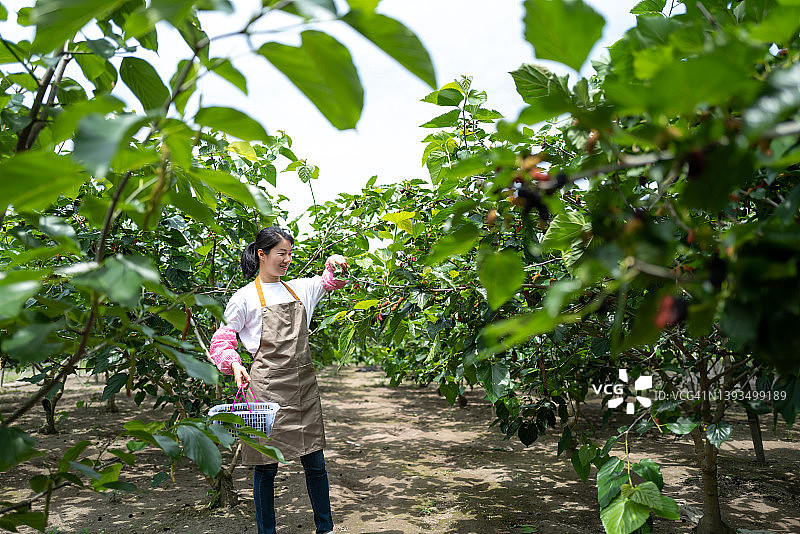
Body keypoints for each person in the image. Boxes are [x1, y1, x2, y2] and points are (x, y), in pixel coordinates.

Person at [209, 226, 348, 534]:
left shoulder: (300, 288)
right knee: (265, 467)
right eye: (280, 254)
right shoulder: (244, 298)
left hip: (303, 388)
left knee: (315, 463)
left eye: (289, 254)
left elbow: (332, 280)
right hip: (265, 389)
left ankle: (325, 528)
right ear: (262, 254)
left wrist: (337, 262)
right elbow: (221, 341)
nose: (286, 260)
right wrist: (233, 364)